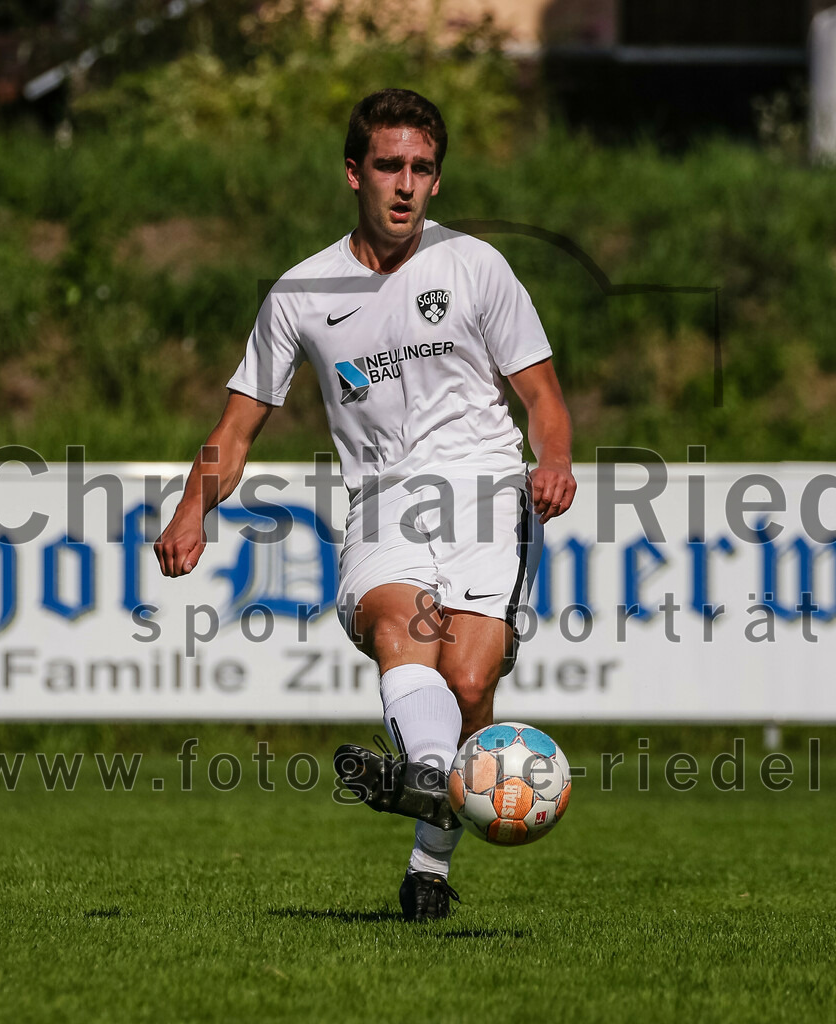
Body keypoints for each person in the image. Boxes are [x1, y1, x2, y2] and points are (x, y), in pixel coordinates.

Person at [154, 88, 576, 921]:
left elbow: (544, 398)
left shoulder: (475, 267)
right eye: (389, 165)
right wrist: (191, 505)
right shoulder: (302, 292)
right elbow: (236, 429)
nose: (406, 184)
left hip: (488, 488)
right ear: (355, 173)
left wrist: (554, 459)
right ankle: (427, 777)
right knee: (398, 626)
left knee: (467, 680)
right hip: (382, 500)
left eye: (422, 168)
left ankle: (428, 859)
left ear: (437, 182)